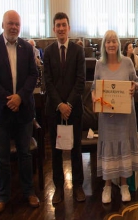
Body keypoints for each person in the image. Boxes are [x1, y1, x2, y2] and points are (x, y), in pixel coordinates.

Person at [0, 10, 40, 216]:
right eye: (10, 23)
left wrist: (20, 97)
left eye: (17, 24)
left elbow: (34, 75)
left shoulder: (27, 48)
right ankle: (3, 197)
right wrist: (9, 99)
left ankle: (29, 192)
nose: (14, 27)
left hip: (23, 111)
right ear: (2, 24)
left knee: (25, 154)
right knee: (2, 159)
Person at [91, 30, 138, 204]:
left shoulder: (127, 62)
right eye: (108, 41)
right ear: (104, 45)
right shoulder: (99, 64)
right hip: (107, 118)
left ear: (118, 44)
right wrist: (94, 97)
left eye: (114, 41)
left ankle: (124, 185)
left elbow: (137, 82)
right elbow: (93, 88)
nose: (111, 44)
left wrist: (135, 87)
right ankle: (107, 186)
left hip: (125, 117)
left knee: (123, 147)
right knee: (109, 148)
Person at [43, 12, 86, 204]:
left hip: (74, 109)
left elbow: (80, 80)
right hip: (54, 110)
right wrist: (59, 104)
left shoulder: (78, 51)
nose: (61, 28)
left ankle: (78, 186)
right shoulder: (49, 50)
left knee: (76, 149)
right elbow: (48, 81)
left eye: (64, 25)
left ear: (69, 28)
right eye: (57, 25)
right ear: (54, 29)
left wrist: (68, 104)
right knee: (56, 149)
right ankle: (58, 187)